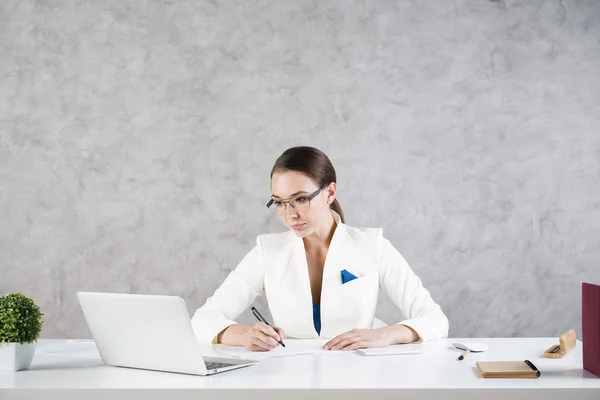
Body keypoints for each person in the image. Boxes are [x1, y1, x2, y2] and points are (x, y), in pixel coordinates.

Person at [191, 146, 448, 351]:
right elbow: (201, 320)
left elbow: (434, 319)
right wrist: (243, 334)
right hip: (289, 382)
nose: (290, 215)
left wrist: (387, 334)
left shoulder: (372, 245)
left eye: (301, 199)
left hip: (358, 381)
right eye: (279, 203)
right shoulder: (267, 250)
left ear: (330, 192)